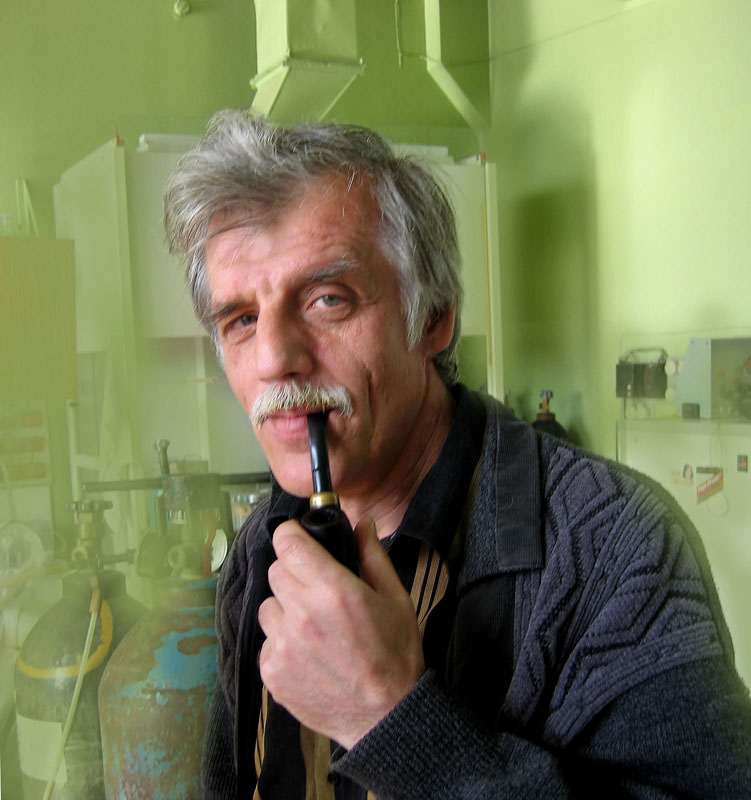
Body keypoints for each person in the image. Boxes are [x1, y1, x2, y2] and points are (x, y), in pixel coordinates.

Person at [163, 109, 751, 799]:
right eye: (240, 320)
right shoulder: (259, 548)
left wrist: (390, 719)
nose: (273, 360)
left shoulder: (616, 549)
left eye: (327, 300)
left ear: (434, 317)